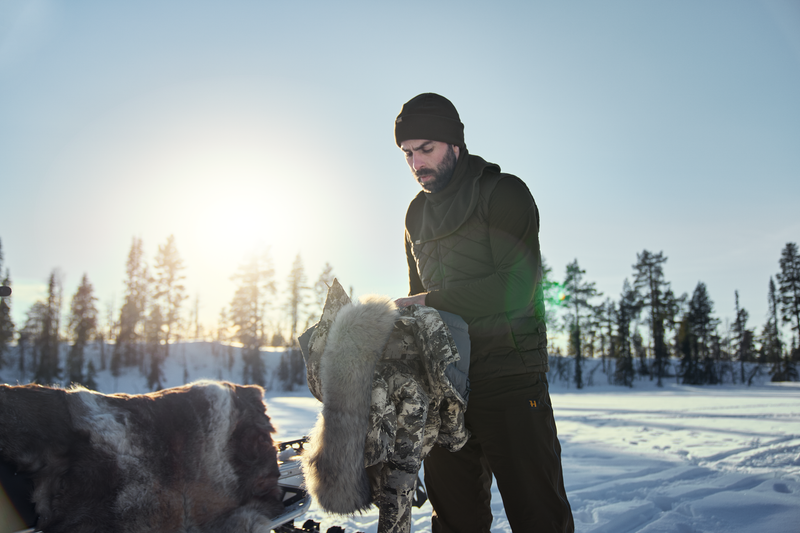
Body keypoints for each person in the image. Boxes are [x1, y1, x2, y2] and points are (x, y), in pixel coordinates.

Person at [392, 93, 574, 533]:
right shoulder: (416, 214)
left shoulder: (504, 192)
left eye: (426, 149)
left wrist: (430, 303)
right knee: (455, 522)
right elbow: (422, 301)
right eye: (408, 154)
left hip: (510, 380)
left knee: (538, 516)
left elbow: (515, 288)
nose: (417, 164)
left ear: (455, 144)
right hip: (447, 386)